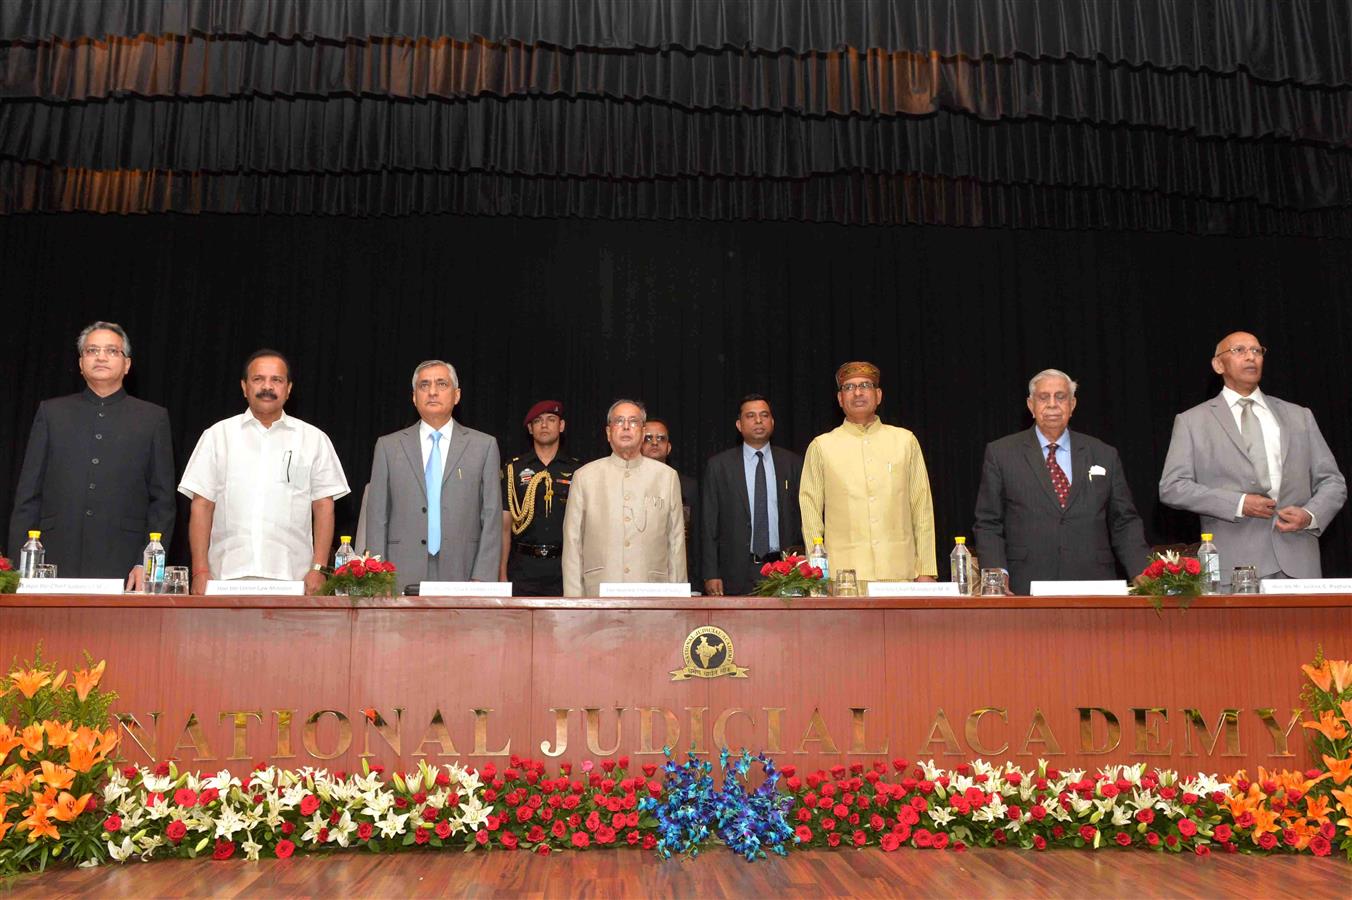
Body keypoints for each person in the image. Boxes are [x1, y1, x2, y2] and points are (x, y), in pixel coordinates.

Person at [1159, 331, 1345, 580]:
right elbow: (1172, 487)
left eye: (1257, 351)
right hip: (1233, 566)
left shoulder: (1299, 416)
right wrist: (1238, 504)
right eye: (1239, 350)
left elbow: (1333, 482)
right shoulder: (1192, 422)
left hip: (1299, 563)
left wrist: (1310, 515)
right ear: (1218, 365)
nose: (1251, 357)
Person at [8, 321, 175, 588]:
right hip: (52, 557)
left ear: (127, 364)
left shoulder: (152, 418)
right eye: (92, 350)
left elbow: (162, 502)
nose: (101, 357)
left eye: (111, 351)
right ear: (80, 363)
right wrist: (19, 568)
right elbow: (29, 494)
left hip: (124, 560)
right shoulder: (52, 413)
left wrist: (146, 565)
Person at [179, 350, 349, 594]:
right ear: (244, 387)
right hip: (225, 577)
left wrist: (318, 568)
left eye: (276, 380)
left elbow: (324, 507)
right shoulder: (217, 436)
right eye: (258, 379)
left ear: (288, 389)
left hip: (294, 578)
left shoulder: (313, 439)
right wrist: (200, 570)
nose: (267, 387)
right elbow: (201, 506)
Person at [972, 369, 1151, 594]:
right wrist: (996, 577)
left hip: (1094, 582)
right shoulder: (1001, 453)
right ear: (1030, 405)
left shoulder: (1104, 454)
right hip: (1025, 583)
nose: (1052, 404)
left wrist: (1141, 570)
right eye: (1043, 397)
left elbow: (1124, 521)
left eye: (1060, 397)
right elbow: (988, 523)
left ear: (1072, 404)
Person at [365, 360, 502, 593]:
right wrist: (379, 577)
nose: (432, 391)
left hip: (464, 570)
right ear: (414, 397)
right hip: (399, 572)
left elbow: (491, 516)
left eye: (441, 384)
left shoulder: (484, 446)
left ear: (457, 395)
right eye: (424, 385)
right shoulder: (388, 447)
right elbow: (377, 517)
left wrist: (483, 577)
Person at [800, 361, 937, 583]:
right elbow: (810, 513)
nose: (858, 392)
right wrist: (817, 572)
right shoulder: (822, 446)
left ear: (878, 395)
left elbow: (922, 507)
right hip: (843, 577)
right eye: (849, 387)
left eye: (865, 385)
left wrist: (926, 570)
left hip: (899, 574)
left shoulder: (905, 441)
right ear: (840, 399)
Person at [562, 400, 686, 597]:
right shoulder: (585, 477)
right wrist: (573, 602)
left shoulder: (666, 477)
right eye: (619, 421)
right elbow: (572, 543)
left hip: (654, 593)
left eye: (633, 421)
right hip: (597, 593)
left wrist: (678, 601)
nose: (626, 426)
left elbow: (676, 541)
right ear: (608, 432)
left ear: (643, 432)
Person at [700, 394, 804, 596]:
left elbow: (802, 516)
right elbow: (709, 524)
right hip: (735, 570)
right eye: (750, 416)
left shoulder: (792, 463)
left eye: (764, 415)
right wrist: (710, 573)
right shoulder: (719, 466)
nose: (758, 421)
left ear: (772, 422)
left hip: (785, 570)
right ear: (739, 425)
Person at [499, 400, 578, 596]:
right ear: (530, 428)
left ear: (561, 426)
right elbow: (505, 526)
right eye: (537, 421)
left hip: (563, 568)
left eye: (551, 419)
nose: (544, 425)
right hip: (522, 568)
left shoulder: (577, 470)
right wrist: (501, 573)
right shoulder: (513, 469)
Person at [640, 417, 699, 582]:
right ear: (638, 444)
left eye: (661, 438)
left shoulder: (687, 486)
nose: (654, 443)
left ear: (669, 447)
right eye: (648, 438)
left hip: (676, 570)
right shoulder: (626, 482)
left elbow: (696, 536)